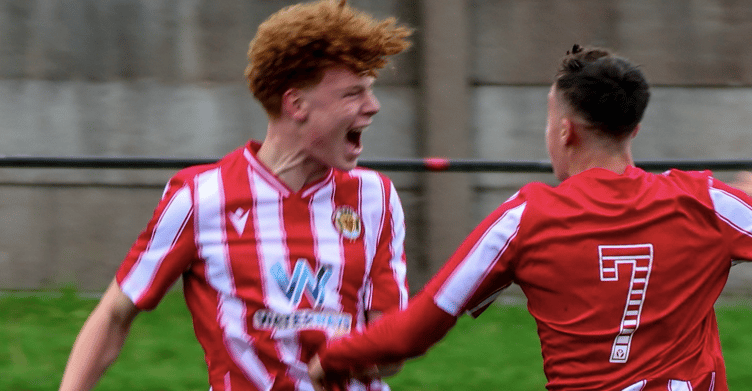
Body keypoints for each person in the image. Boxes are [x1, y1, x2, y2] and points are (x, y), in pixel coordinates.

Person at [308, 44, 752, 391]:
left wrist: (332, 356)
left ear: (565, 130)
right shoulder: (707, 201)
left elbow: (414, 331)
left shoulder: (525, 220)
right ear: (633, 128)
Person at [59, 1, 412, 390]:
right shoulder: (201, 197)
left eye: (371, 92)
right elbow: (113, 314)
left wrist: (347, 356)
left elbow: (390, 344)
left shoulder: (375, 197)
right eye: (353, 94)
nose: (373, 107)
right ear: (296, 104)